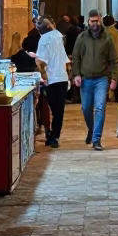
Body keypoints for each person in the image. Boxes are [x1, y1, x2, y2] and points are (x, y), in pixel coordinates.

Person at [71, 9, 118, 150]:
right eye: (92, 21)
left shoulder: (107, 38)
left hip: (101, 79)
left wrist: (114, 78)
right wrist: (76, 75)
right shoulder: (82, 38)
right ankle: (92, 130)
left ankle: (96, 139)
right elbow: (76, 58)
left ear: (100, 20)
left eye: (97, 21)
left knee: (99, 108)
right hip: (85, 79)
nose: (95, 24)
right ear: (88, 22)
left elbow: (114, 60)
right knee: (86, 108)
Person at [34, 15, 70, 147]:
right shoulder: (59, 36)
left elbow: (40, 61)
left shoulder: (43, 39)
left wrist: (44, 78)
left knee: (49, 110)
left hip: (52, 79)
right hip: (62, 77)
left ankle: (51, 135)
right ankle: (54, 136)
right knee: (58, 111)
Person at [102, 14, 118, 101]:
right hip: (115, 58)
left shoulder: (102, 33)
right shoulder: (117, 33)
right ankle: (114, 97)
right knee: (115, 78)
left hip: (103, 58)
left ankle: (105, 96)